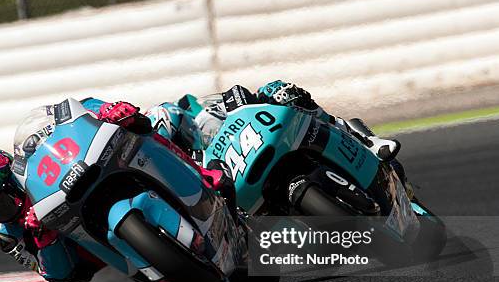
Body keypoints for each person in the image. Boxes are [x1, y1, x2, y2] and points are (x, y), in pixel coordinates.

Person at [0, 101, 235, 282]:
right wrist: (43, 238)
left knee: (161, 117)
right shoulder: (6, 234)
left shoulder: (29, 167)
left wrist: (107, 110)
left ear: (12, 181)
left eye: (3, 202)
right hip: (87, 248)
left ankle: (201, 171)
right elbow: (56, 275)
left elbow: (78, 111)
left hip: (84, 191)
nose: (2, 211)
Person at [145, 80, 400, 162]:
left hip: (265, 135)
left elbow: (241, 95)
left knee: (278, 89)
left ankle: (366, 141)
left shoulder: (203, 113)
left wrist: (243, 100)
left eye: (182, 131)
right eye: (178, 141)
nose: (187, 138)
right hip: (245, 186)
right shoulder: (187, 171)